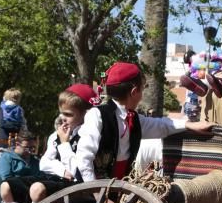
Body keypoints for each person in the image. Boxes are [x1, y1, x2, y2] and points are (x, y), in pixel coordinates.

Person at [76, 63, 214, 183]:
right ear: (134, 92)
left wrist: (188, 125)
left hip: (115, 189)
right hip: (88, 193)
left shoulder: (134, 119)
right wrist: (96, 193)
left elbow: (161, 125)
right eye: (142, 90)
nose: (141, 95)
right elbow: (84, 158)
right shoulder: (97, 115)